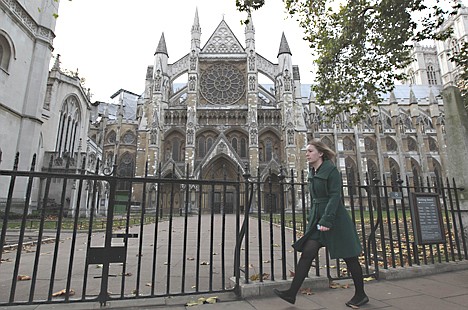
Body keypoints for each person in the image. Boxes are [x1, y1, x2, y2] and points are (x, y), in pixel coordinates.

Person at [273, 139, 369, 308]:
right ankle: (291, 293)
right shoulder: (312, 172)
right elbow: (316, 200)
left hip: (335, 219)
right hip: (319, 219)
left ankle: (361, 295)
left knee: (350, 257)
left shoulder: (331, 170)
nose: (307, 154)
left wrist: (327, 220)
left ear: (320, 153)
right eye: (307, 151)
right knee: (308, 252)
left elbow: (334, 197)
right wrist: (315, 221)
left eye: (310, 151)